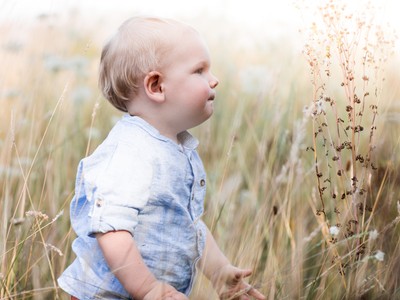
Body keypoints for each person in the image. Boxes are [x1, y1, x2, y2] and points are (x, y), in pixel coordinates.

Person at [58, 16, 265, 300]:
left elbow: (185, 224)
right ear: (156, 86)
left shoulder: (175, 147)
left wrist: (218, 272)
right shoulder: (131, 151)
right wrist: (148, 288)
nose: (214, 79)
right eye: (199, 71)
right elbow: (111, 228)